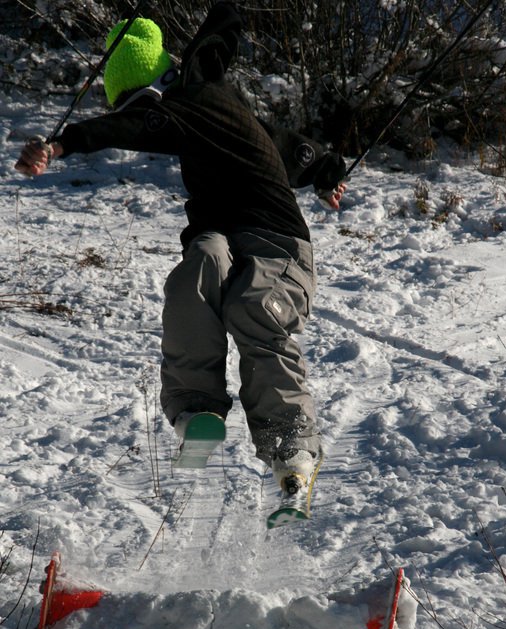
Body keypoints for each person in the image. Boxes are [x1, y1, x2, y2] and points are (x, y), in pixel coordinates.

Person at [15, 2, 346, 501]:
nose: (144, 121)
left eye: (138, 107)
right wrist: (322, 169)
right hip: (224, 237)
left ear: (152, 94)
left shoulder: (191, 101)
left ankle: (289, 439)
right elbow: (286, 146)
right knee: (200, 264)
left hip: (279, 245)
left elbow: (134, 127)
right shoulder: (216, 108)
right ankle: (197, 409)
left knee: (251, 305)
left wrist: (62, 146)